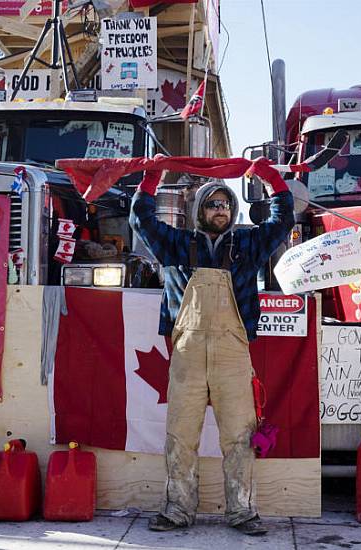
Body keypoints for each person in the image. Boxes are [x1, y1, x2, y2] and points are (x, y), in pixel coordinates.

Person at [129, 158, 294, 536]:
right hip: (186, 353)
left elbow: (283, 221)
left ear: (232, 211)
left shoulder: (248, 244)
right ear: (197, 211)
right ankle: (177, 510)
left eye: (224, 204)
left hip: (234, 355)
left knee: (239, 436)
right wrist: (151, 178)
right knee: (180, 435)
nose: (219, 210)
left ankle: (242, 512)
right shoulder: (176, 243)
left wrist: (272, 181)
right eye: (211, 204)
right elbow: (141, 220)